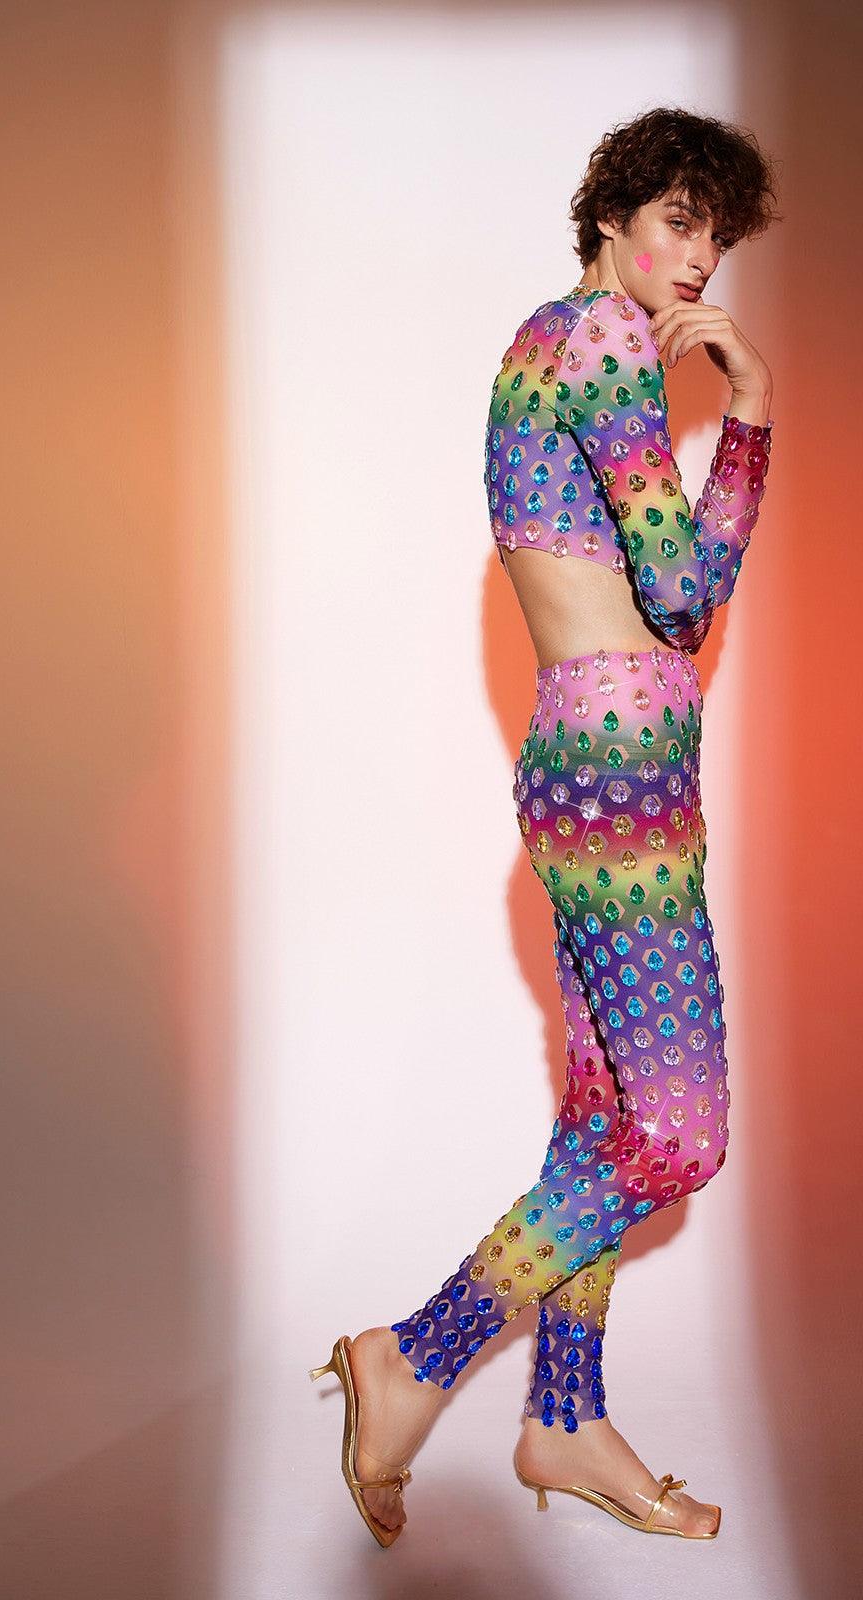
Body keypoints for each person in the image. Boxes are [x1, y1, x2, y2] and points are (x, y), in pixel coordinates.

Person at [310, 104, 781, 1547]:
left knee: (606, 1113)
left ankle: (566, 1418)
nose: (698, 259)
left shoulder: (540, 343)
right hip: (622, 772)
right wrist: (751, 411)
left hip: (586, 757)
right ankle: (416, 1356)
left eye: (717, 235)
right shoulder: (607, 344)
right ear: (614, 215)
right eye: (679, 221)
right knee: (679, 1136)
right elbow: (684, 593)